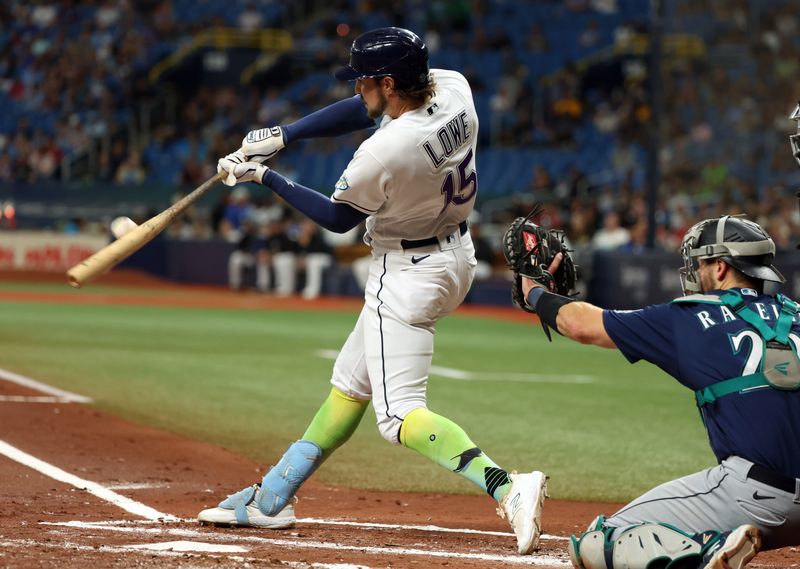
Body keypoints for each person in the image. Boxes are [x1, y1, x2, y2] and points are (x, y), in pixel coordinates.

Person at [197, 27, 547, 555]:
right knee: (350, 384)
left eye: (365, 81)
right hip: (456, 255)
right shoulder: (454, 87)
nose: (358, 90)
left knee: (398, 415)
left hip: (405, 272)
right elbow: (365, 110)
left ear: (388, 82)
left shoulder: (384, 151)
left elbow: (338, 219)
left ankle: (506, 486)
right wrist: (286, 135)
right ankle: (272, 499)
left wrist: (263, 177)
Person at [519, 215, 800, 569]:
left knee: (602, 541)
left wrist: (535, 292)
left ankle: (707, 551)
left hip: (755, 498)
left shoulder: (691, 317)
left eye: (700, 262)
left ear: (722, 267)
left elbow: (580, 325)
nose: (695, 270)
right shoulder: (796, 314)